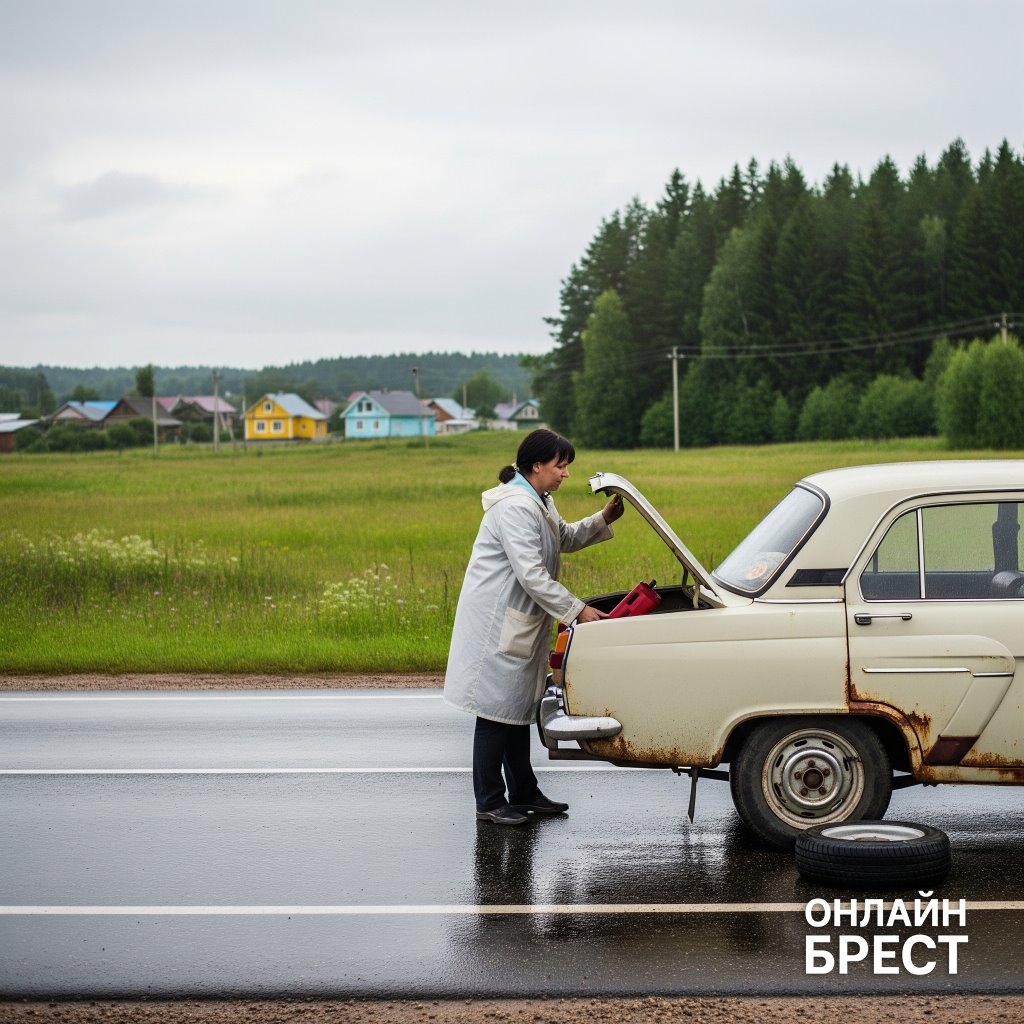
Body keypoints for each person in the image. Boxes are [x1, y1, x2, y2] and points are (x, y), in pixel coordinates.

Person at [443, 428, 624, 825]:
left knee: (516, 709)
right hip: (498, 623)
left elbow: (563, 538)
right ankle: (489, 801)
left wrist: (603, 518)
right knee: (495, 711)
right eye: (561, 466)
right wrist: (577, 610)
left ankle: (523, 791)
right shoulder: (514, 507)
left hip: (519, 621)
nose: (565, 473)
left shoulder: (539, 500)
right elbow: (531, 575)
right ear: (536, 465)